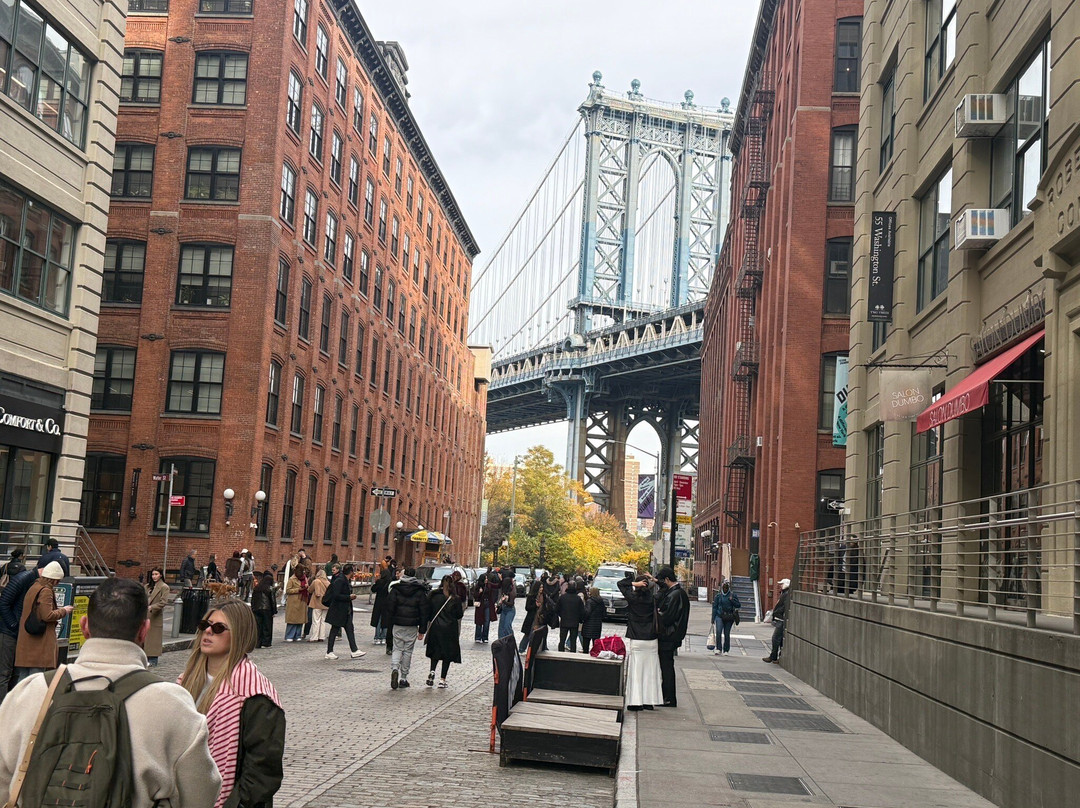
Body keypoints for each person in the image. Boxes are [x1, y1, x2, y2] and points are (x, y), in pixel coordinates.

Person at [0, 577, 221, 808]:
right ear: (144, 631)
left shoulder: (28, 691)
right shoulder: (174, 705)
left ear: (84, 626)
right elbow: (201, 794)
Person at [179, 601, 284, 808]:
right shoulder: (183, 684)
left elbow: (262, 773)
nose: (208, 631)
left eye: (218, 628)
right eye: (204, 625)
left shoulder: (255, 695)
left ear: (239, 635)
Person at [15, 561, 71, 679]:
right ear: (54, 579)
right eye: (58, 580)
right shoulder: (46, 591)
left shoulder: (34, 587)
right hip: (38, 642)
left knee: (23, 679)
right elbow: (47, 615)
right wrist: (64, 611)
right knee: (35, 678)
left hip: (26, 640)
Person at [618, 573, 663, 710]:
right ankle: (649, 701)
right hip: (651, 638)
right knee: (651, 671)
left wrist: (633, 583)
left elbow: (620, 584)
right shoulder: (654, 599)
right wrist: (654, 580)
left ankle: (635, 702)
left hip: (636, 638)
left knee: (636, 671)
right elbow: (666, 587)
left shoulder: (633, 598)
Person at [384, 566, 430, 689]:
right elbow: (424, 611)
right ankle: (403, 678)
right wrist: (422, 630)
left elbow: (389, 608)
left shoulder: (396, 589)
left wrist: (389, 624)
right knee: (408, 651)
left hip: (398, 623)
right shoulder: (420, 591)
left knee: (397, 648)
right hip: (412, 625)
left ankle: (394, 668)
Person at [0, 568, 39, 699]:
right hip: (9, 631)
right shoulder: (24, 579)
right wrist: (13, 625)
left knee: (12, 673)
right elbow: (4, 603)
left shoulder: (30, 580)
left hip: (16, 631)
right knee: (5, 673)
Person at [655, 566, 690, 707]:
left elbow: (667, 616)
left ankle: (668, 697)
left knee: (666, 667)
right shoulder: (678, 593)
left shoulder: (674, 595)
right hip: (673, 635)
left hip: (668, 635)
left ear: (667, 580)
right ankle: (667, 697)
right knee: (667, 666)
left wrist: (658, 613)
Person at [424, 576, 464, 688]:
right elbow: (459, 615)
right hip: (449, 630)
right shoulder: (455, 599)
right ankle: (442, 679)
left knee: (435, 652)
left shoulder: (434, 596)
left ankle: (432, 671)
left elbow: (428, 612)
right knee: (447, 655)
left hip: (435, 628)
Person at [325, 563, 365, 660]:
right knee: (334, 630)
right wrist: (348, 597)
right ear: (350, 572)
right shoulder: (340, 580)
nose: (354, 573)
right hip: (338, 610)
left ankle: (354, 650)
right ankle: (329, 652)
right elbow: (336, 595)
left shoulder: (345, 580)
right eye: (353, 571)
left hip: (345, 610)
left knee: (349, 629)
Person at [144, 567, 171, 666]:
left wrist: (152, 607)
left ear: (160, 575)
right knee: (145, 637)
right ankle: (144, 657)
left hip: (155, 616)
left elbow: (163, 602)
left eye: (156, 574)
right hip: (145, 615)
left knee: (153, 638)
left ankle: (153, 659)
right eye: (153, 574)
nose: (154, 576)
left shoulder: (164, 587)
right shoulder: (147, 586)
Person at [763, 578, 791, 663]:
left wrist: (777, 612)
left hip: (781, 619)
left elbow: (784, 606)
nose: (780, 586)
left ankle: (773, 656)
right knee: (779, 639)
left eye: (782, 584)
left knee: (776, 638)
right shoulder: (784, 593)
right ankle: (777, 656)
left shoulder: (786, 594)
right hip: (780, 618)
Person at [711, 580, 741, 656]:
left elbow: (738, 605)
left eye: (726, 588)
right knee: (718, 631)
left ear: (728, 588)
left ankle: (726, 649)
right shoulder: (718, 596)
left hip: (729, 616)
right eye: (724, 587)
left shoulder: (732, 595)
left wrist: (732, 600)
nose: (725, 589)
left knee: (726, 633)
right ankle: (718, 648)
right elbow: (715, 607)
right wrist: (713, 618)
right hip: (719, 615)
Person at [250, 571, 277, 649]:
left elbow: (253, 600)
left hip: (257, 609)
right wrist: (274, 611)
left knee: (258, 626)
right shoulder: (269, 588)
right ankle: (266, 643)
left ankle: (258, 643)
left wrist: (253, 608)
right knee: (267, 626)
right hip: (267, 609)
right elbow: (272, 601)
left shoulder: (257, 588)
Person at [557, 581, 585, 652]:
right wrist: (580, 620)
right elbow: (582, 611)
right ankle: (572, 654)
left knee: (562, 640)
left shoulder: (562, 597)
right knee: (573, 641)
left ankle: (560, 654)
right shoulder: (578, 599)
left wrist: (562, 615)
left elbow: (557, 609)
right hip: (574, 622)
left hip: (564, 621)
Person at [472, 570, 498, 643]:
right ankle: (478, 636)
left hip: (488, 604)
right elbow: (475, 596)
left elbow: (496, 587)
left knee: (487, 621)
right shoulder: (478, 586)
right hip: (480, 605)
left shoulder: (488, 585)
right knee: (479, 621)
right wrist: (479, 592)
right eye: (485, 578)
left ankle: (485, 637)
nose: (486, 580)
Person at [370, 560, 392, 644]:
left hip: (379, 602)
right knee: (385, 620)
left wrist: (376, 581)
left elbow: (373, 589)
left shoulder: (379, 582)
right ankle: (384, 637)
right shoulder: (390, 583)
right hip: (387, 603)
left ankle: (377, 637)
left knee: (378, 620)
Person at [284, 568, 308, 642]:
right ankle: (289, 635)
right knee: (292, 619)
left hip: (302, 601)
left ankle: (298, 635)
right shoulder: (292, 579)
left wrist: (306, 587)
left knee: (300, 620)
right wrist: (298, 589)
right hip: (293, 602)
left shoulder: (305, 579)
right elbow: (288, 590)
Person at [307, 568, 330, 642]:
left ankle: (314, 637)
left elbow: (310, 590)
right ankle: (321, 636)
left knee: (316, 620)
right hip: (325, 604)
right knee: (323, 621)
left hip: (317, 603)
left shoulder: (316, 581)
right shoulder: (328, 582)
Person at [580, 586, 605, 654]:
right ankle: (595, 654)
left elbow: (587, 613)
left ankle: (585, 655)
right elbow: (604, 614)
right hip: (597, 625)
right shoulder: (601, 601)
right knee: (595, 643)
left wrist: (582, 618)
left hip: (588, 625)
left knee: (586, 644)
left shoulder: (589, 601)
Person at [497, 567, 517, 640]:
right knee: (501, 627)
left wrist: (504, 601)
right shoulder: (504, 590)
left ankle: (510, 640)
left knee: (507, 626)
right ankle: (501, 641)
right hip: (504, 608)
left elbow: (511, 603)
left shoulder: (511, 592)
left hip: (510, 609)